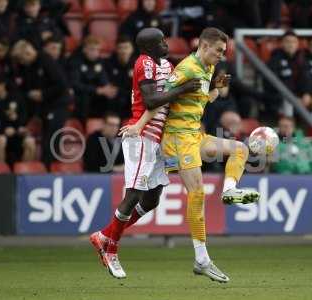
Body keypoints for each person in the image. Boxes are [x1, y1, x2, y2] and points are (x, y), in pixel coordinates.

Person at [89, 27, 201, 279]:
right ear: (148, 46)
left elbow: (172, 95)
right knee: (134, 194)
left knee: (152, 199)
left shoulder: (165, 64)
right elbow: (151, 101)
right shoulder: (144, 63)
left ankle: (105, 234)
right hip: (143, 136)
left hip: (160, 139)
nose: (166, 43)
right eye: (161, 41)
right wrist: (183, 90)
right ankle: (111, 249)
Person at [160, 27, 260, 283]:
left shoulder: (206, 69)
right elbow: (160, 99)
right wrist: (142, 128)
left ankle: (229, 190)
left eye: (223, 52)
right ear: (204, 46)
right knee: (196, 193)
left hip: (194, 135)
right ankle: (202, 259)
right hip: (178, 139)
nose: (221, 56)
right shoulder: (186, 69)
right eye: (218, 51)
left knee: (240, 149)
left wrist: (214, 90)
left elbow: (197, 100)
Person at [11, 39, 70, 167]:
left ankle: (51, 169)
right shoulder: (29, 66)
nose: (22, 63)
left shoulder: (46, 60)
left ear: (27, 53)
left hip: (59, 105)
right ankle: (45, 167)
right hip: (46, 106)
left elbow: (61, 84)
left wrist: (42, 94)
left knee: (52, 138)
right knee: (46, 138)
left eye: (22, 59)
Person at [0, 77, 36, 164]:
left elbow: (24, 118)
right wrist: (3, 131)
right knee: (1, 140)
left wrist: (18, 128)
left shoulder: (17, 97)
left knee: (30, 142)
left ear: (2, 85)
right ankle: (1, 175)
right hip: (0, 136)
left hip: (17, 135)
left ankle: (24, 174)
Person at [104, 36, 136, 119]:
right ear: (116, 50)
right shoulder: (108, 63)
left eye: (126, 48)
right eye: (120, 48)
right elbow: (107, 84)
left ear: (132, 49)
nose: (123, 51)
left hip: (130, 98)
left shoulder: (138, 64)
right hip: (114, 99)